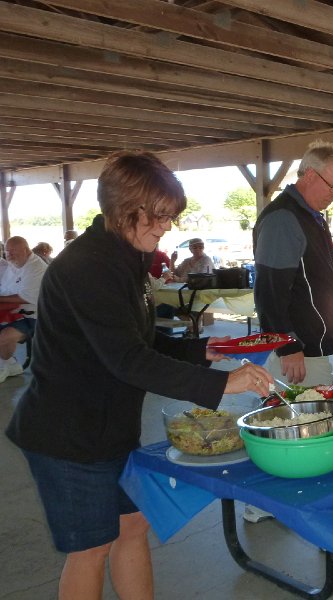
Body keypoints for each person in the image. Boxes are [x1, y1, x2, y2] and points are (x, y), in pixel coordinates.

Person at [4, 151, 273, 600]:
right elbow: (127, 359)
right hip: (68, 435)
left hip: (108, 425)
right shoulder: (88, 266)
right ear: (125, 209)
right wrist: (224, 384)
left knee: (133, 526)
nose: (167, 226)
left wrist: (199, 350)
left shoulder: (124, 256)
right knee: (91, 548)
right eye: (160, 216)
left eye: (171, 216)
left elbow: (136, 340)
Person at [252, 140, 333, 387]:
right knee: (314, 422)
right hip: (298, 351)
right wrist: (287, 345)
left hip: (309, 347)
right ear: (310, 174)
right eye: (332, 187)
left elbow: (301, 276)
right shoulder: (284, 219)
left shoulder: (309, 215)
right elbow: (269, 290)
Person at [0, 236, 47, 382]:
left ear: (26, 250)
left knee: (5, 337)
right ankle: (10, 364)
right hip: (9, 312)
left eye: (13, 251)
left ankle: (5, 364)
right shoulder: (11, 264)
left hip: (33, 317)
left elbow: (25, 298)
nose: (9, 254)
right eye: (7, 251)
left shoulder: (36, 267)